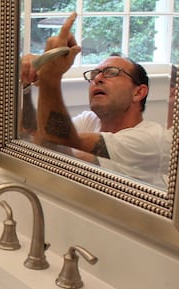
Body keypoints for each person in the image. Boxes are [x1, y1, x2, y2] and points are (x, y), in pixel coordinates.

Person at [21, 12, 172, 189]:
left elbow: (60, 141)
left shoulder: (150, 140)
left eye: (112, 72)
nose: (98, 78)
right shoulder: (89, 120)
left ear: (138, 93)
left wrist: (50, 76)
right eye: (94, 74)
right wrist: (25, 86)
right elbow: (37, 136)